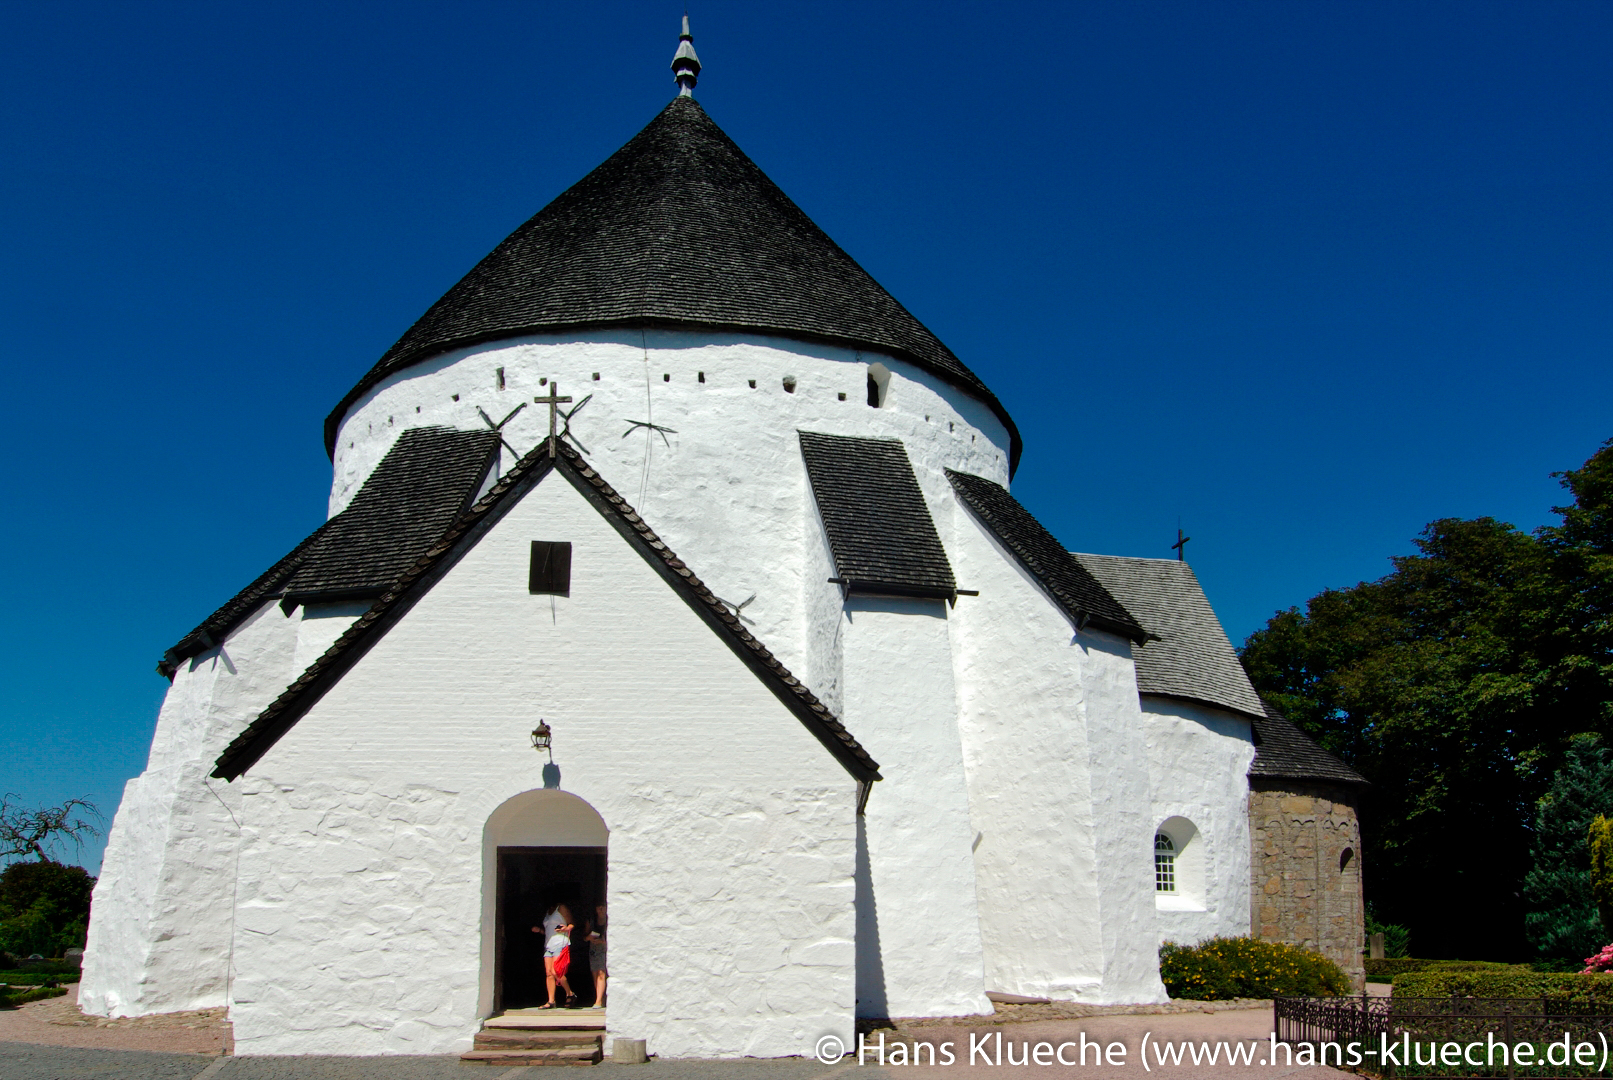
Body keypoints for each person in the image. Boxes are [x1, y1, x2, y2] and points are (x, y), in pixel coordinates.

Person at [531, 902, 575, 1009]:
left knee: (557, 971)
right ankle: (551, 1001)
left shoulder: (561, 907)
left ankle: (570, 993)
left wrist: (565, 928)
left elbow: (571, 924)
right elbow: (548, 931)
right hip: (549, 945)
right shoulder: (548, 912)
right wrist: (540, 930)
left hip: (560, 943)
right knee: (549, 973)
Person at [586, 903, 607, 1008]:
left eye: (603, 907)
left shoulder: (611, 920)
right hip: (594, 949)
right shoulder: (591, 921)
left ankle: (598, 1001)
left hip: (604, 949)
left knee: (601, 973)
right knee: (595, 974)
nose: (601, 910)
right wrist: (589, 938)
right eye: (599, 907)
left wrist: (603, 942)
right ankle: (600, 997)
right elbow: (584, 936)